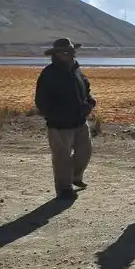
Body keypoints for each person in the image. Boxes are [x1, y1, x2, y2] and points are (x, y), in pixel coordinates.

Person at [34, 38, 96, 200]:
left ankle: (74, 177)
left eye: (71, 51)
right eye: (65, 52)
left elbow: (86, 89)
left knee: (85, 151)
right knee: (62, 157)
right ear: (56, 55)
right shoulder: (49, 74)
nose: (69, 54)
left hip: (80, 121)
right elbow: (42, 101)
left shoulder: (77, 71)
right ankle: (64, 188)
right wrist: (55, 115)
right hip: (59, 125)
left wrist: (89, 102)